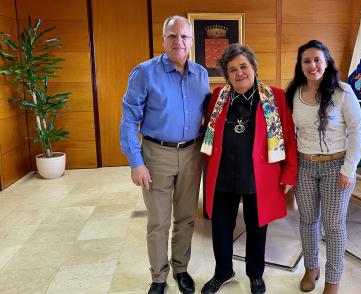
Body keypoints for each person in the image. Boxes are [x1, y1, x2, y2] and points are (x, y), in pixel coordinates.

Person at [120, 15, 210, 294]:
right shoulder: (144, 72)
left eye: (184, 37)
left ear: (191, 42)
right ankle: (159, 277)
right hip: (156, 154)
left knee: (186, 218)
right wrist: (136, 163)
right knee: (158, 220)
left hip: (192, 153)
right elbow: (128, 120)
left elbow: (208, 116)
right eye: (172, 36)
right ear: (163, 40)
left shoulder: (201, 74)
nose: (178, 42)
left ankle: (181, 269)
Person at [200, 44, 298, 294]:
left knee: (257, 227)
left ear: (254, 68)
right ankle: (223, 271)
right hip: (223, 171)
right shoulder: (217, 97)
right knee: (220, 226)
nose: (239, 73)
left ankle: (255, 274)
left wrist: (289, 173)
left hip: (259, 174)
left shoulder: (274, 97)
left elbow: (287, 136)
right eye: (232, 69)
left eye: (244, 66)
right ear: (227, 75)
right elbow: (208, 133)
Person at [285, 40, 361, 294]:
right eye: (306, 61)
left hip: (336, 166)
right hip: (305, 166)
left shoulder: (343, 91)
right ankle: (311, 268)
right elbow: (287, 132)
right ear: (301, 65)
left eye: (317, 59)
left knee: (333, 225)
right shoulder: (293, 93)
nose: (312, 65)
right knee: (308, 221)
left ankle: (333, 279)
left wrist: (348, 170)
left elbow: (356, 131)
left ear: (326, 62)